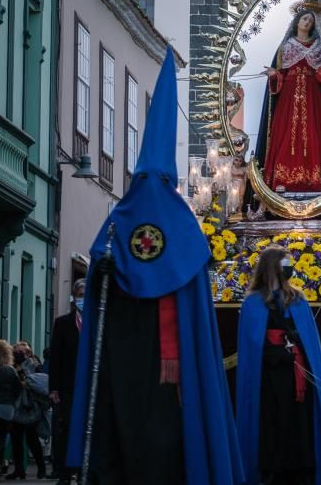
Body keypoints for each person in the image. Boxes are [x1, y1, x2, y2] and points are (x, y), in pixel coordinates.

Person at [66, 49, 243, 485]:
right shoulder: (179, 228)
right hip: (137, 359)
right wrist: (103, 273)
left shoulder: (122, 219)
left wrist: (109, 271)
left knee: (159, 440)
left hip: (155, 363)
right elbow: (101, 280)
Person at [235, 246, 321, 485]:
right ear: (272, 267)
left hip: (296, 373)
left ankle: (300, 469)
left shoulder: (297, 299)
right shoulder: (253, 303)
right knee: (273, 422)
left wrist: (296, 338)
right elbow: (252, 345)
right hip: (268, 377)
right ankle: (272, 470)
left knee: (298, 422)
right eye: (285, 263)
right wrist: (276, 353)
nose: (289, 267)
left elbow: (309, 340)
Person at [253, 0, 321, 194]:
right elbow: (281, 75)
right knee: (286, 134)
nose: (307, 23)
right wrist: (273, 75)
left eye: (310, 21)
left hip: (313, 99)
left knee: (315, 134)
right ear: (297, 22)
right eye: (304, 20)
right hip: (289, 98)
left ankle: (318, 180)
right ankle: (282, 180)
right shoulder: (285, 48)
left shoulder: (319, 47)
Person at [48, 280, 85, 485]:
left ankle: (83, 471)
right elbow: (56, 358)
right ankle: (64, 472)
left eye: (86, 295)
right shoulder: (63, 323)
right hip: (68, 388)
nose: (83, 299)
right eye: (80, 294)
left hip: (89, 388)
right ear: (73, 298)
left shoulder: (97, 321)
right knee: (66, 430)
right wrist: (54, 387)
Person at [0, 339, 44, 481]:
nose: (20, 354)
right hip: (16, 408)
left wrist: (26, 364)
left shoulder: (33, 363)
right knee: (16, 440)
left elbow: (36, 380)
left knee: (32, 439)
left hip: (29, 406)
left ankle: (41, 468)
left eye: (24, 351)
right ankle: (19, 470)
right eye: (17, 351)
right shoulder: (11, 366)